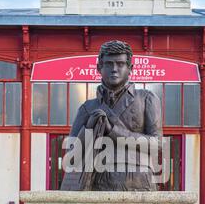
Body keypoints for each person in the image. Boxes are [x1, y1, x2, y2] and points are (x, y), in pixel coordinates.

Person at [60, 40, 162, 191]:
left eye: (120, 64)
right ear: (99, 68)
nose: (114, 69)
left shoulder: (147, 99)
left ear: (130, 68)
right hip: (98, 184)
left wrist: (112, 131)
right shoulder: (87, 108)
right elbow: (72, 157)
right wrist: (89, 129)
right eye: (108, 64)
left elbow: (157, 144)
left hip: (139, 184)